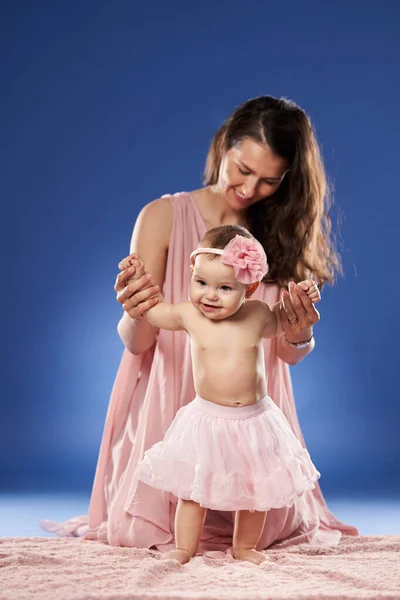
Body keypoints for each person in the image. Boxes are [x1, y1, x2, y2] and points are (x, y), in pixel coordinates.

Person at [41, 95, 359, 551]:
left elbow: (287, 354)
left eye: (269, 180)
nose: (250, 189)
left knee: (265, 519)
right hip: (170, 401)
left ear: (287, 179)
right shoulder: (163, 217)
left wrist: (300, 331)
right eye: (242, 170)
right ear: (223, 146)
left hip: (252, 417)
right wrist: (135, 311)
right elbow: (138, 342)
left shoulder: (282, 232)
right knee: (161, 517)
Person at [125, 224, 321, 565]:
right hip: (207, 419)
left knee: (254, 491)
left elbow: (290, 321)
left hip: (254, 421)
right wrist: (137, 284)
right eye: (201, 283)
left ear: (251, 288)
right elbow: (152, 310)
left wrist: (302, 298)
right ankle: (185, 548)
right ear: (192, 272)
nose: (209, 295)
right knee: (193, 491)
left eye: (225, 287)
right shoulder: (188, 314)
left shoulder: (259, 315)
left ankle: (244, 548)